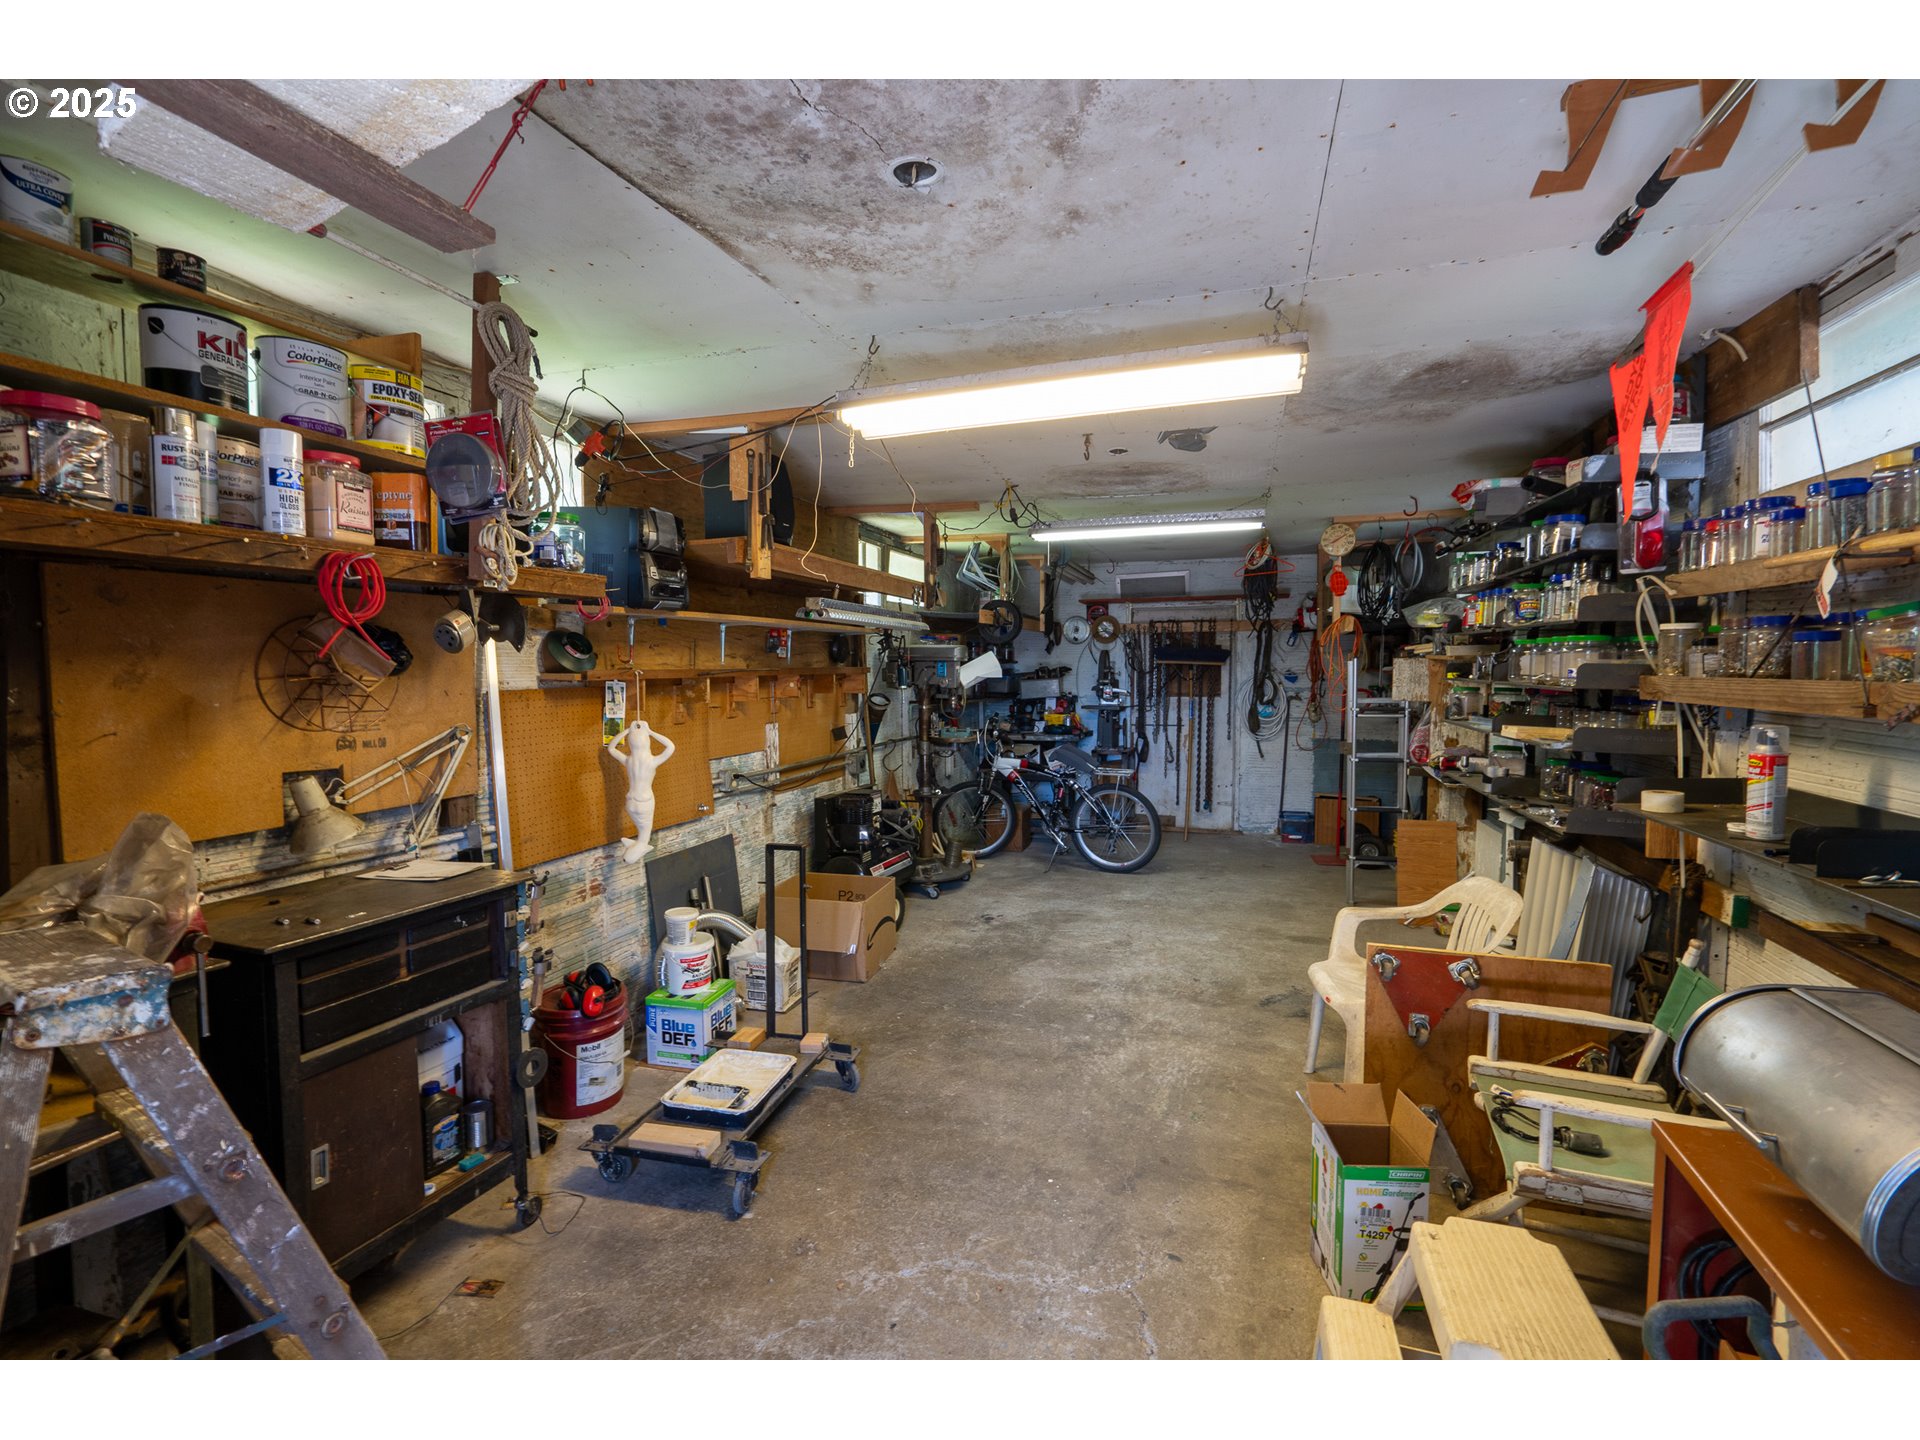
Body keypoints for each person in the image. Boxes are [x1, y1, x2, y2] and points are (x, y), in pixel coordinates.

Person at [605, 720, 675, 863]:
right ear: (647, 743)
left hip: (631, 802)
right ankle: (629, 857)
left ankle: (630, 854)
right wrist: (650, 732)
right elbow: (670, 747)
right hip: (643, 803)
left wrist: (627, 731)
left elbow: (611, 749)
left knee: (643, 836)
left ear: (630, 745)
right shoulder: (652, 761)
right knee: (644, 838)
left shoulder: (628, 760)